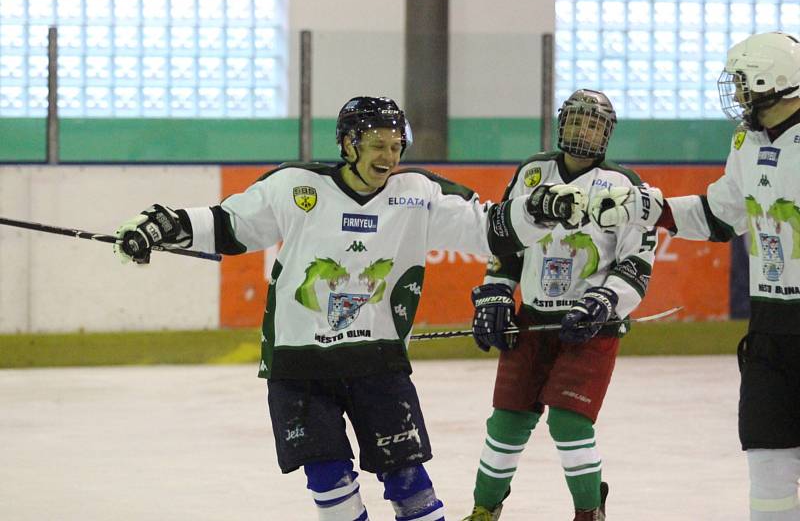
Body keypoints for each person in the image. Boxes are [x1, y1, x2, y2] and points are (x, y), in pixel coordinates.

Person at [113, 96, 586, 521]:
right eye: (377, 144)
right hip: (300, 366)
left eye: (396, 145)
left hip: (377, 364)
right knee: (329, 485)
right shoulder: (296, 186)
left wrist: (538, 209)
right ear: (347, 143)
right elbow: (231, 225)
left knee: (409, 485)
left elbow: (487, 228)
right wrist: (167, 226)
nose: (389, 156)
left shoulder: (417, 194)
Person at [590, 31, 800, 521]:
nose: (737, 92)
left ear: (772, 80)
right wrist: (647, 207)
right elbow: (721, 215)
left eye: (743, 81)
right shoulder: (747, 142)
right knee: (768, 461)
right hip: (770, 329)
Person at [462, 89, 657, 521]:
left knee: (569, 424)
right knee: (506, 422)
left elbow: (636, 264)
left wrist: (604, 303)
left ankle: (589, 512)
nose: (582, 129)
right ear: (561, 123)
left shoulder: (624, 186)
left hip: (592, 327)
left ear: (605, 134)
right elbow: (506, 242)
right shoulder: (533, 171)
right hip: (532, 322)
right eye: (576, 120)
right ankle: (483, 508)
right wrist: (495, 295)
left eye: (593, 123)